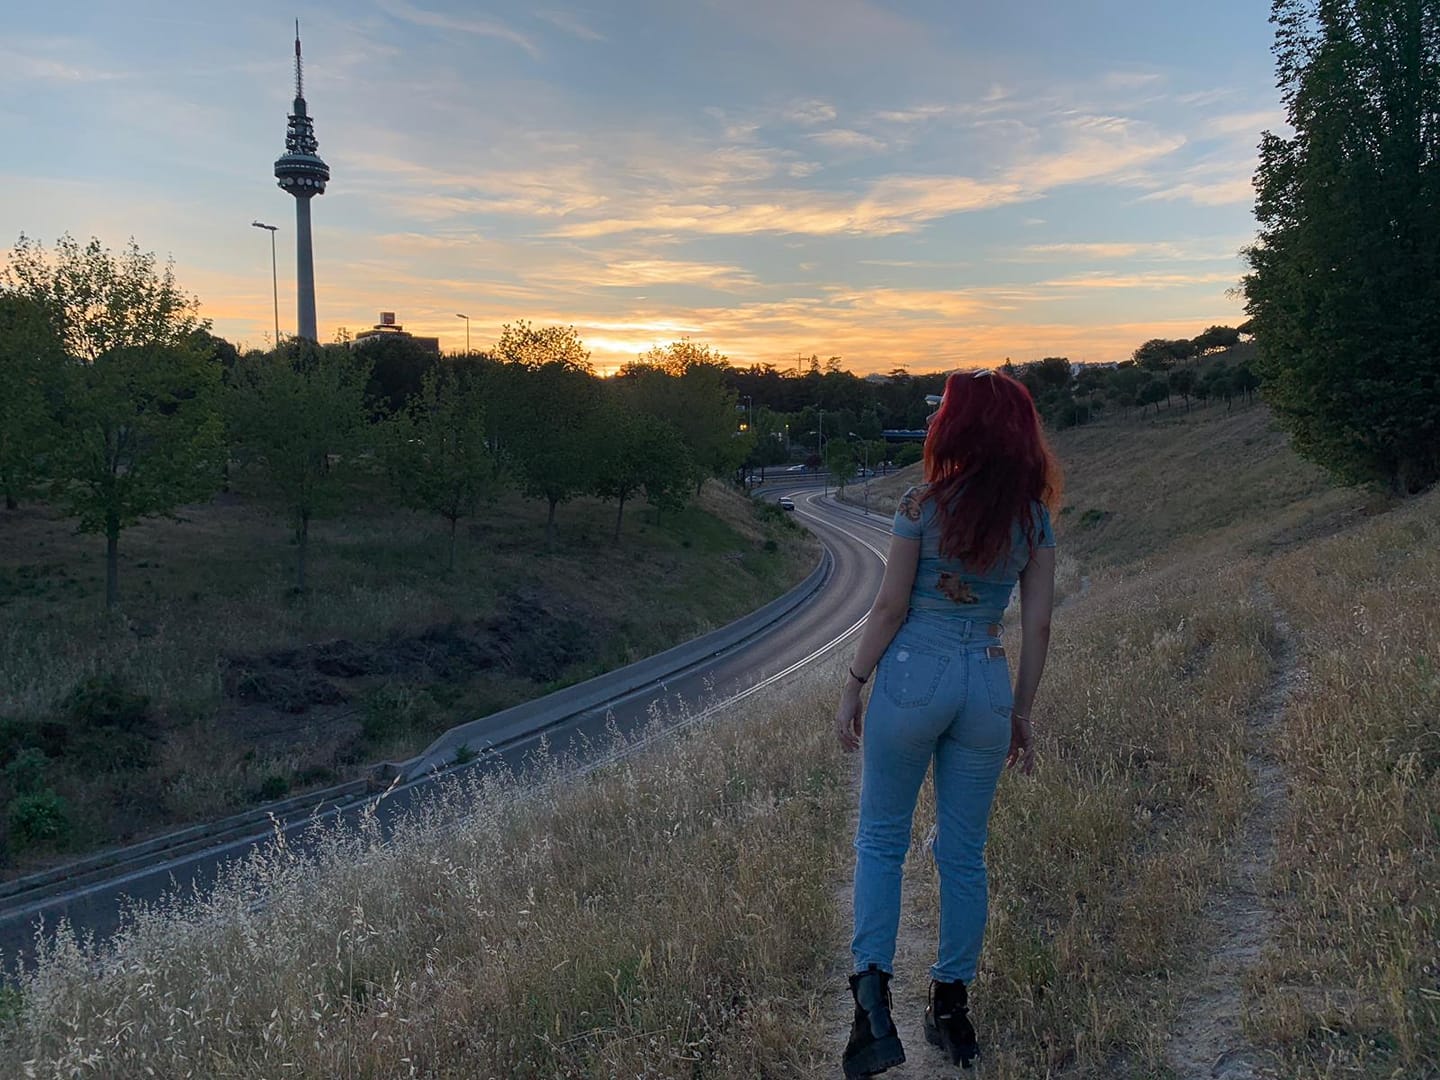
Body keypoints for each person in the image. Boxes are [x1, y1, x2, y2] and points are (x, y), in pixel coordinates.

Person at [836, 369, 1060, 1077]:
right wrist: (1019, 710)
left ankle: (872, 1004)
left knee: (880, 841)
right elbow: (1042, 624)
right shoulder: (1032, 518)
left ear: (953, 428)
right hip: (987, 677)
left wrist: (853, 682)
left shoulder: (920, 503)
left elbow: (889, 608)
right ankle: (951, 1011)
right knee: (963, 854)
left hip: (913, 675)